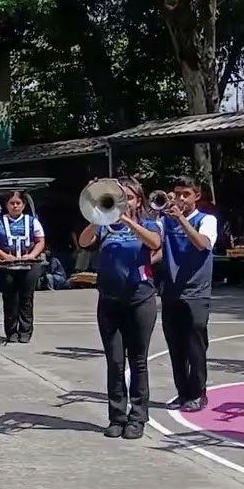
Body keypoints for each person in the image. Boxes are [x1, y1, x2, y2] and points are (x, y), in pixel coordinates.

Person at [77, 177, 162, 439]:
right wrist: (97, 216)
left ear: (139, 201)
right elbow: (83, 241)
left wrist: (127, 220)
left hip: (140, 299)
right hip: (110, 299)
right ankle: (117, 416)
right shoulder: (105, 227)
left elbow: (154, 244)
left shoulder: (148, 224)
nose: (125, 202)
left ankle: (138, 417)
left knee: (138, 362)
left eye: (130, 198)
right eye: (120, 197)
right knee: (114, 361)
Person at [154, 176, 218, 412]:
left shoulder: (206, 219)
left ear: (196, 196)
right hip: (170, 290)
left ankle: (198, 393)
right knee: (176, 346)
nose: (180, 199)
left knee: (195, 346)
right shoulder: (165, 220)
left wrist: (181, 220)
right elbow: (152, 239)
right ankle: (182, 393)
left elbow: (202, 244)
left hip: (196, 292)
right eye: (177, 194)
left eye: (186, 194)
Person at [0, 190, 46, 343]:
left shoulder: (32, 221)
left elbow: (40, 241)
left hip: (28, 266)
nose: (15, 206)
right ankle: (11, 332)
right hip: (7, 266)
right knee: (10, 299)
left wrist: (31, 255)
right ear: (6, 205)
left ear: (23, 205)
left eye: (18, 203)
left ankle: (25, 332)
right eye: (11, 203)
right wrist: (5, 257)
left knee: (26, 299)